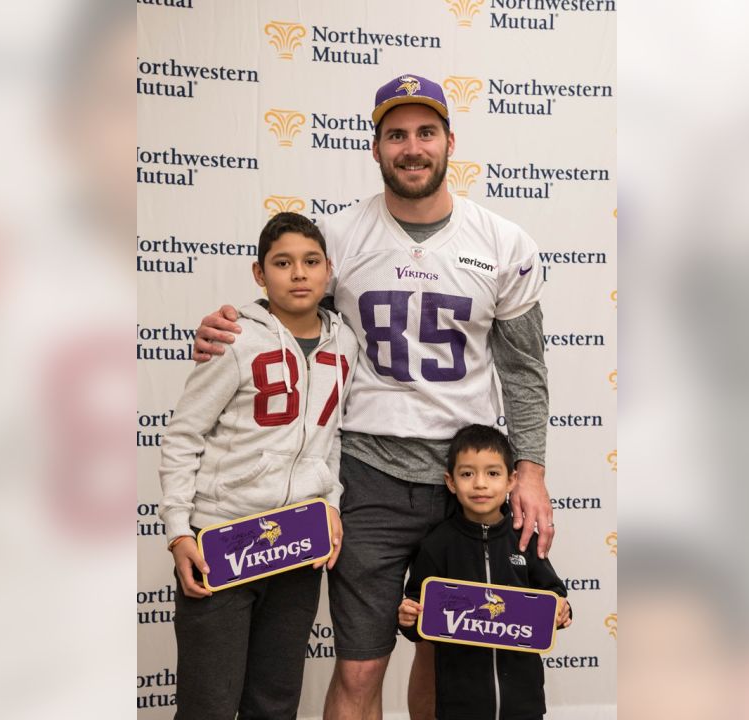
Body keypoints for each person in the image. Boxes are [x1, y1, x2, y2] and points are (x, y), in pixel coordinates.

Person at [194, 73, 556, 720]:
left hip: (464, 481)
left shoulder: (504, 244)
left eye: (425, 132)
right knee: (360, 667)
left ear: (450, 140)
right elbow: (291, 311)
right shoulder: (339, 238)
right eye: (396, 135)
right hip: (367, 477)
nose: (411, 148)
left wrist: (530, 468)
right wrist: (236, 327)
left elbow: (524, 369)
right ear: (375, 146)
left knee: (451, 660)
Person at [159, 212, 358, 719]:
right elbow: (185, 435)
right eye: (283, 262)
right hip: (222, 542)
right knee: (209, 702)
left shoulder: (346, 344)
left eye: (311, 262)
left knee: (274, 701)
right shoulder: (234, 340)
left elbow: (329, 439)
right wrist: (180, 532)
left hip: (297, 544)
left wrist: (330, 504)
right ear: (258, 273)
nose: (298, 274)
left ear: (328, 270)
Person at [397, 424, 572, 720]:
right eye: (467, 474)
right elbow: (418, 613)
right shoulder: (436, 545)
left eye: (492, 473)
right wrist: (408, 618)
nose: (480, 484)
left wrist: (561, 609)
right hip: (459, 705)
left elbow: (553, 593)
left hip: (523, 702)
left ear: (511, 481)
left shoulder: (524, 539)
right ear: (450, 482)